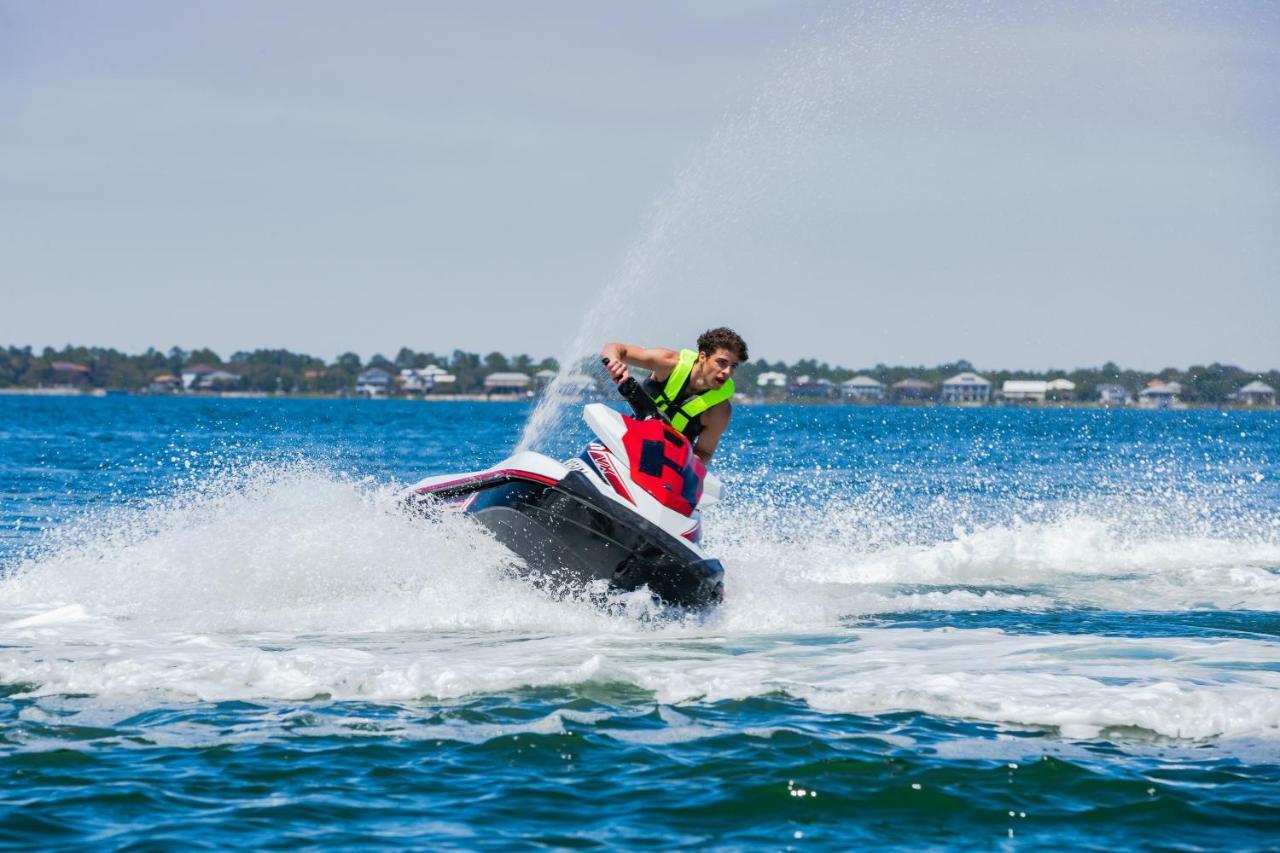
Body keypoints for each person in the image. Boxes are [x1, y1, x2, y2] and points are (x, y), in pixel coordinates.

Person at [601, 327, 748, 464]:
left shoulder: (720, 410)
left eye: (733, 366)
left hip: (671, 464)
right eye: (722, 362)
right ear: (703, 357)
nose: (727, 372)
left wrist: (683, 464)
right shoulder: (668, 363)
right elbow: (615, 348)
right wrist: (613, 360)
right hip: (632, 439)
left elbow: (704, 452)